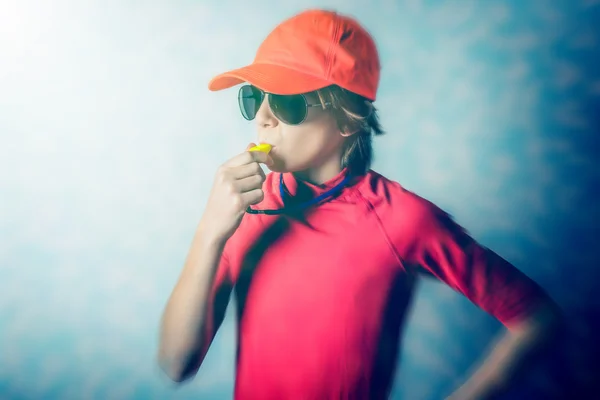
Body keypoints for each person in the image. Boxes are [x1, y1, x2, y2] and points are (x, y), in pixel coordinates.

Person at [158, 8, 561, 400]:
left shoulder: (403, 220)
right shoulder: (245, 207)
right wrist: (210, 231)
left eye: (286, 102)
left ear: (348, 119)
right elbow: (176, 364)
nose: (262, 118)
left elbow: (536, 317)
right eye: (255, 97)